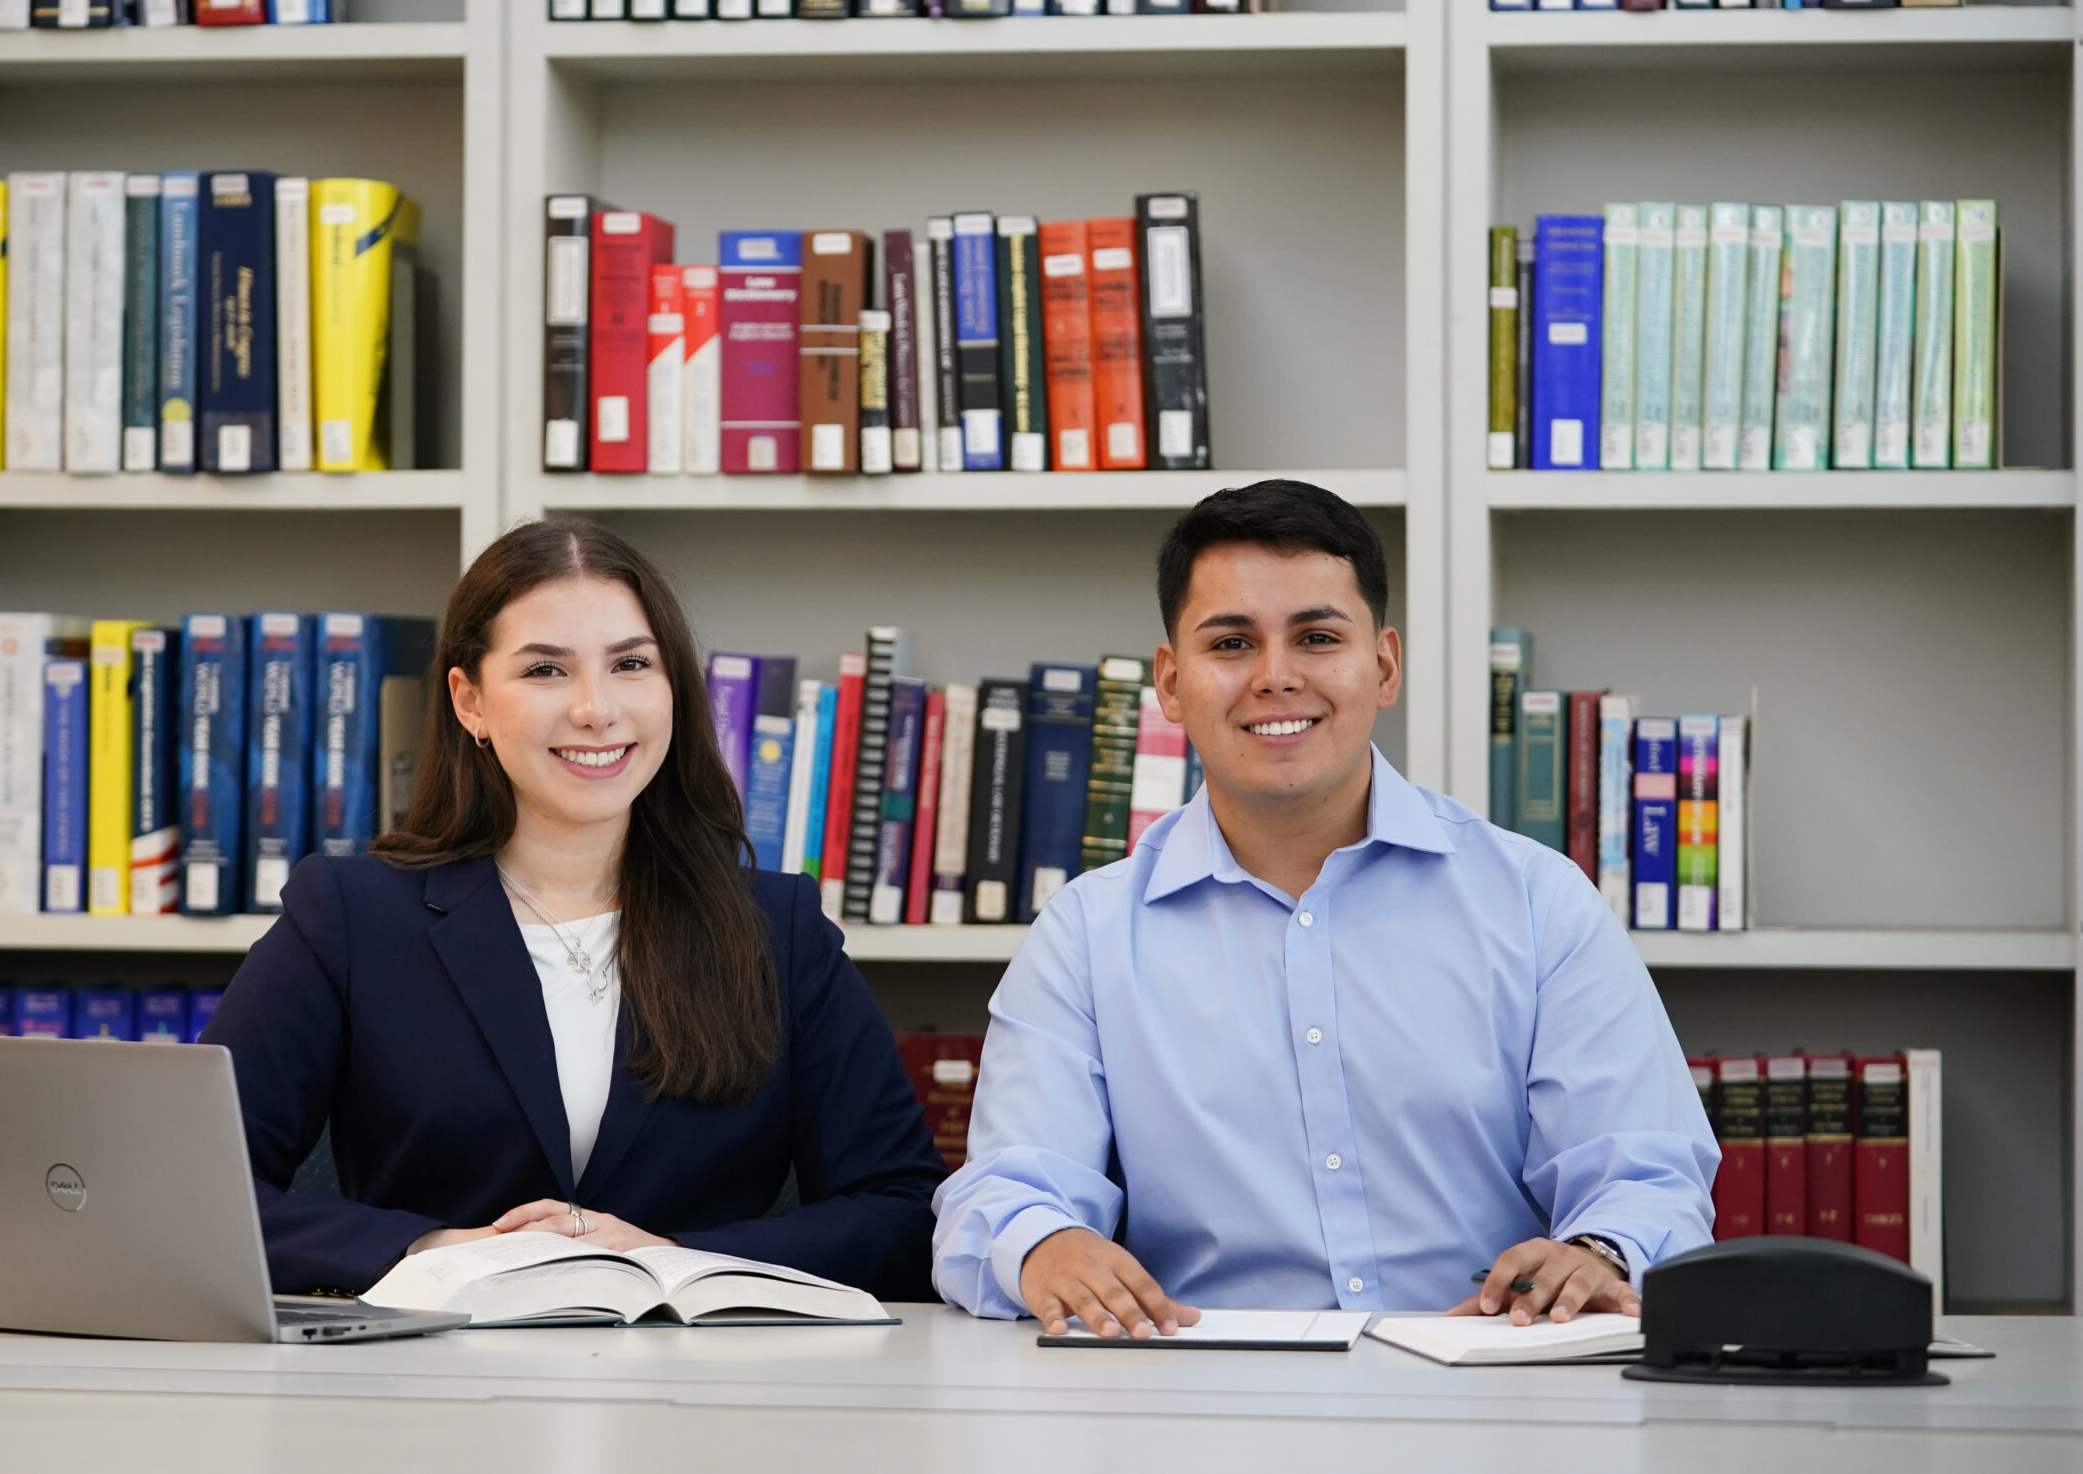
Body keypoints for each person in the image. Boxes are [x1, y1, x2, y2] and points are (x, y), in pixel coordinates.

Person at [932, 480, 1718, 1337]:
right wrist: (1045, 1243)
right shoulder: (1086, 936)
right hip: (1199, 1403)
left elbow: (1648, 1178)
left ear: (1382, 666)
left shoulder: (1537, 903)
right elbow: (1001, 1194)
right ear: (1170, 682)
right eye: (1231, 641)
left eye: (1316, 637)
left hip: (1487, 1390)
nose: (1276, 676)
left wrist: (1599, 1252)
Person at [205, 519, 944, 1299]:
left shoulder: (778, 927)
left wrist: (669, 1257)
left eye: (631, 663)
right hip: (421, 1382)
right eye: (547, 671)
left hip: (702, 1388)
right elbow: (198, 1195)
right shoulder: (352, 917)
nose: (597, 709)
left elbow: (903, 1212)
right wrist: (439, 1249)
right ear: (470, 702)